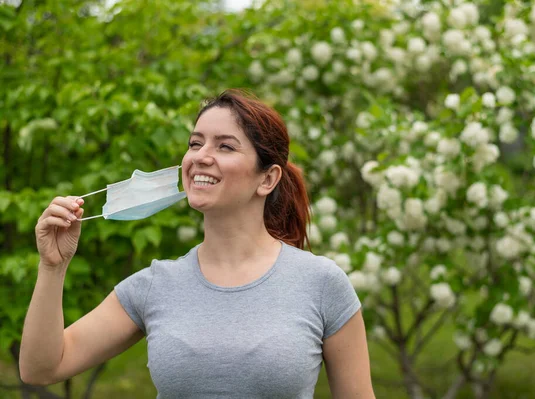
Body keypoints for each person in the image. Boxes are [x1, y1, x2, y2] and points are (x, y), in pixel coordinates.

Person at [20, 89, 375, 398]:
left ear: (267, 178)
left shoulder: (321, 283)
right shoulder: (155, 285)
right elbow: (42, 368)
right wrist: (53, 267)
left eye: (225, 146)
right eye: (195, 143)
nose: (200, 156)